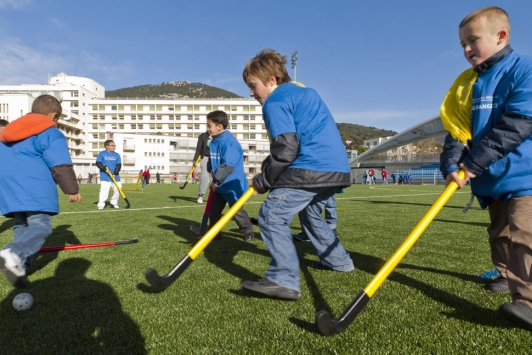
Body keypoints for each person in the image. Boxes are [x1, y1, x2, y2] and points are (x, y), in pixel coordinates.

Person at [439, 6, 532, 329]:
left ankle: (527, 302)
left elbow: (518, 123)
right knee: (500, 235)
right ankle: (507, 276)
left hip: (525, 176)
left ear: (501, 36)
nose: (466, 50)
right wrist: (451, 161)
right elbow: (457, 129)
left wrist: (474, 162)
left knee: (525, 236)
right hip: (492, 180)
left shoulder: (524, 69)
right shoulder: (468, 83)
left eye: (472, 41)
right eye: (463, 43)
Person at [241, 49, 354, 301]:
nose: (251, 93)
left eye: (252, 86)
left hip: (311, 167)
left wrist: (264, 179)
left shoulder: (275, 100)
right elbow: (295, 141)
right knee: (311, 214)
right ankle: (339, 262)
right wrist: (271, 166)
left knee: (271, 215)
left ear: (271, 80)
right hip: (336, 169)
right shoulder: (306, 92)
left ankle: (284, 280)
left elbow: (286, 149)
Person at [0, 95, 82, 288]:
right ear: (53, 116)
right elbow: (60, 163)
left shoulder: (9, 132)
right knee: (40, 226)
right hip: (33, 187)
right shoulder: (49, 132)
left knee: (21, 226)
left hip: (10, 190)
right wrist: (71, 189)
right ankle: (12, 253)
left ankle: (20, 265)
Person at [206, 110, 254, 242]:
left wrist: (216, 180)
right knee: (214, 211)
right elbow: (214, 158)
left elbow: (228, 165)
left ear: (219, 126)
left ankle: (248, 231)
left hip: (232, 184)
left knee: (237, 212)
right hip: (220, 185)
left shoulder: (229, 142)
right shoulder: (214, 141)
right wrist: (209, 166)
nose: (207, 128)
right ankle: (214, 235)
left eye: (209, 126)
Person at [96, 140, 122, 210]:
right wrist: (104, 169)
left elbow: (119, 165)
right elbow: (98, 163)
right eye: (112, 145)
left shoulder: (117, 155)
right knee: (104, 190)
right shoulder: (102, 154)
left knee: (118, 188)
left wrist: (115, 173)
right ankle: (101, 204)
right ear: (107, 146)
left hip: (115, 176)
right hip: (105, 176)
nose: (114, 147)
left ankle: (114, 201)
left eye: (114, 145)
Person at [193, 130, 212, 203]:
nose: (209, 129)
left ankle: (213, 197)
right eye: (208, 126)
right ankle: (200, 195)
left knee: (214, 178)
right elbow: (198, 149)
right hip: (205, 157)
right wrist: (195, 160)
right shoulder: (202, 136)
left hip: (214, 158)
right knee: (204, 176)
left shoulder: (217, 136)